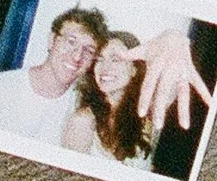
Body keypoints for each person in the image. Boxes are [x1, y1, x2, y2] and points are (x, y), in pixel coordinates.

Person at [0, 2, 105, 143]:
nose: (77, 57)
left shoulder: (84, 110)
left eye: (88, 51)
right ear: (52, 40)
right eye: (71, 42)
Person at [64, 28, 156, 170]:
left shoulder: (144, 119)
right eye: (99, 59)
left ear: (134, 69)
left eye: (115, 59)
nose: (105, 67)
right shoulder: (83, 121)